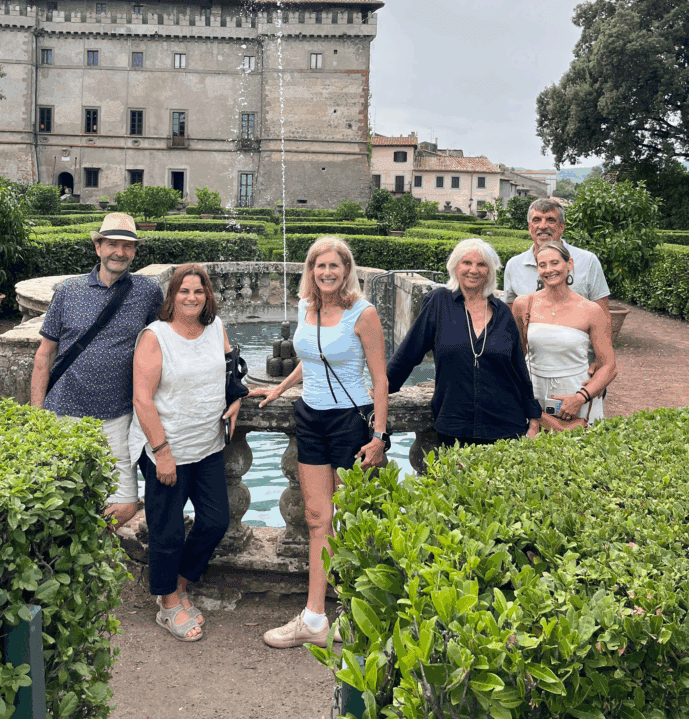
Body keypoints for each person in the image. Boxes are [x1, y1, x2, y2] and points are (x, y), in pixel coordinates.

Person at [248, 237, 389, 649]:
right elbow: (310, 360)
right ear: (310, 271)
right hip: (310, 417)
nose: (326, 273)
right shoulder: (308, 308)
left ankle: (358, 611)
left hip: (349, 422)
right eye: (319, 266)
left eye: (334, 266)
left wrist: (378, 437)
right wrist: (279, 388)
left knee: (350, 519)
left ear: (347, 270)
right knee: (316, 518)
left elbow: (380, 380)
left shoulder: (363, 313)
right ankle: (314, 617)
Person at [129, 263, 242, 643]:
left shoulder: (216, 328)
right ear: (172, 296)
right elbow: (142, 398)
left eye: (199, 291)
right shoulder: (155, 336)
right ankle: (167, 605)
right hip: (168, 448)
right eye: (184, 291)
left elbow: (232, 373)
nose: (192, 298)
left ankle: (177, 583)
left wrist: (236, 402)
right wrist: (161, 452)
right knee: (167, 531)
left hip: (207, 446)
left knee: (215, 521)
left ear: (207, 295)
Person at [31, 212, 163, 527]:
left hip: (117, 416)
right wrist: (35, 416)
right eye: (112, 244)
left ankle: (87, 548)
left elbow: (171, 337)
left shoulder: (147, 292)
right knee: (58, 496)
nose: (120, 252)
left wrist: (223, 350)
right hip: (63, 412)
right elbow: (44, 354)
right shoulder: (68, 291)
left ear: (134, 251)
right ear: (98, 247)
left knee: (126, 504)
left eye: (127, 246)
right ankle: (75, 559)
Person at [387, 238, 542, 446]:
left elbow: (518, 368)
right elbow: (409, 353)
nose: (473, 270)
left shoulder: (503, 312)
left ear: (490, 271)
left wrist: (533, 418)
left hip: (505, 425)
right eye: (466, 263)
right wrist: (382, 388)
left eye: (481, 264)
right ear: (455, 267)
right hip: (454, 423)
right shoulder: (439, 302)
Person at [511, 241, 616, 423]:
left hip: (575, 395)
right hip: (535, 396)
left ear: (569, 264)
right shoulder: (523, 305)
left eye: (554, 263)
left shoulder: (591, 310)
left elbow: (609, 366)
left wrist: (581, 397)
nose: (549, 269)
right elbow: (517, 355)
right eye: (542, 265)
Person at [502, 198, 610, 311]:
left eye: (550, 220)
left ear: (561, 227)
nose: (543, 226)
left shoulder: (587, 261)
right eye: (537, 220)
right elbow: (511, 315)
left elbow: (602, 313)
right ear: (530, 227)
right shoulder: (514, 265)